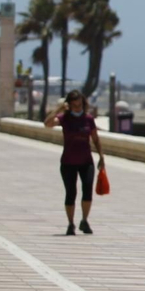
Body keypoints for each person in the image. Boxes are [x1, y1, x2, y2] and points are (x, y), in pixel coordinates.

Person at [44, 90, 105, 235]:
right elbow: (47, 124)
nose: (78, 108)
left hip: (86, 161)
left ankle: (84, 220)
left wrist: (101, 156)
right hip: (68, 161)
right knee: (71, 192)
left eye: (80, 105)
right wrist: (59, 109)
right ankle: (70, 223)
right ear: (69, 105)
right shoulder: (64, 118)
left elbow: (95, 138)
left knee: (87, 189)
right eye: (74, 105)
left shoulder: (88, 119)